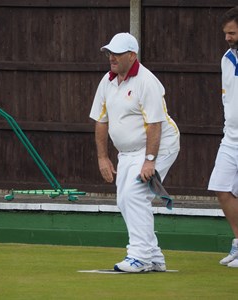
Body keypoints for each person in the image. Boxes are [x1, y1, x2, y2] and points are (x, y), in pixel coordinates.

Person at [89, 32, 180, 272]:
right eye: (110, 53)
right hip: (127, 152)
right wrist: (102, 157)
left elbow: (155, 124)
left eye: (118, 53)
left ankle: (139, 256)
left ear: (132, 55)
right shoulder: (106, 81)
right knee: (124, 199)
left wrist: (150, 161)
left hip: (160, 144)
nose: (112, 58)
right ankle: (154, 255)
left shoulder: (147, 81)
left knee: (135, 195)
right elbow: (101, 120)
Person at [208, 6, 238, 268]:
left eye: (233, 33)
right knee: (221, 187)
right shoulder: (226, 58)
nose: (228, 37)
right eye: (226, 33)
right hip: (230, 137)